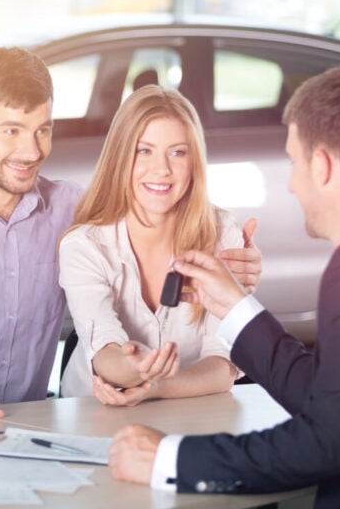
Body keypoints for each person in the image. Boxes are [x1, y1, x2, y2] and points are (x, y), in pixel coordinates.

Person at [0, 46, 262, 427]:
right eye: (11, 130)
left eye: (43, 129)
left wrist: (241, 273)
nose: (32, 150)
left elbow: (155, 212)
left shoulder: (74, 213)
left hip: (14, 437)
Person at [108, 64, 340, 508]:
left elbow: (325, 442)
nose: (292, 185)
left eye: (294, 163)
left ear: (323, 165)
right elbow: (330, 392)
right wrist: (235, 305)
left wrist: (167, 458)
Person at [59, 85, 249, 403]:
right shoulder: (84, 246)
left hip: (190, 410)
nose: (161, 169)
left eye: (177, 152)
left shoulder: (222, 233)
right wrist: (132, 367)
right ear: (121, 158)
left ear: (194, 163)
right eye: (144, 151)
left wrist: (154, 387)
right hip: (95, 410)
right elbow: (104, 350)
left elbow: (223, 365)